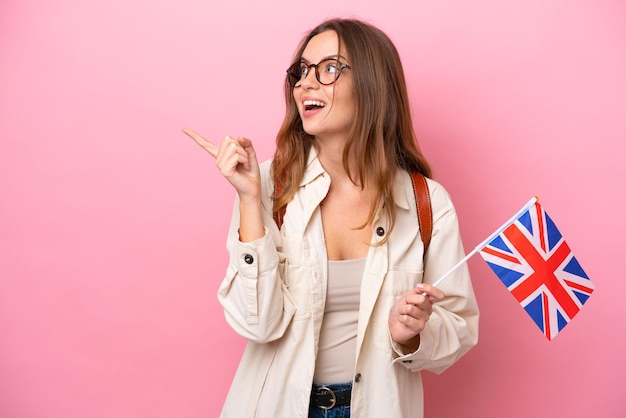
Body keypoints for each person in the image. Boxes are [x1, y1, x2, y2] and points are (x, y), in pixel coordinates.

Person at [183, 17, 479, 418]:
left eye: (329, 69)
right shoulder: (268, 184)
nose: (305, 84)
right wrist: (251, 200)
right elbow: (258, 325)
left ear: (373, 83)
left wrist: (412, 335)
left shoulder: (426, 202)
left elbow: (459, 327)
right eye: (301, 71)